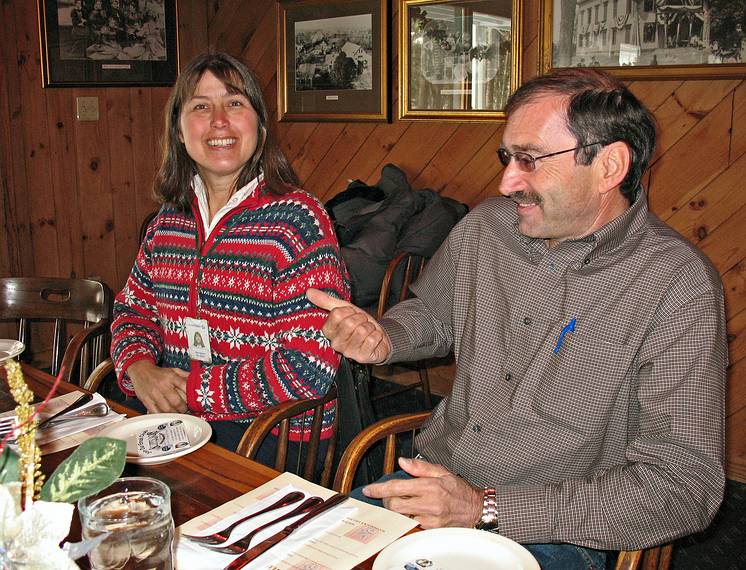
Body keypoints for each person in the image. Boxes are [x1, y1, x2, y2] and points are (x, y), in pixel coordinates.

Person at [307, 68, 727, 569]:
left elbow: (684, 487)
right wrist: (386, 337)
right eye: (507, 157)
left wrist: (487, 507)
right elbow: (435, 315)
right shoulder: (487, 227)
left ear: (610, 166)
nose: (507, 181)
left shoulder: (676, 284)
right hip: (429, 484)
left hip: (555, 530)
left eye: (528, 160)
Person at [111, 51, 350, 459]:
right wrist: (140, 370)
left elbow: (307, 367)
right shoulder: (168, 221)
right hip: (179, 421)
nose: (219, 120)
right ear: (180, 131)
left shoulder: (299, 221)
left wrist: (192, 390)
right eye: (201, 106)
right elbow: (132, 312)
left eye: (235, 103)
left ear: (258, 123)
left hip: (269, 436)